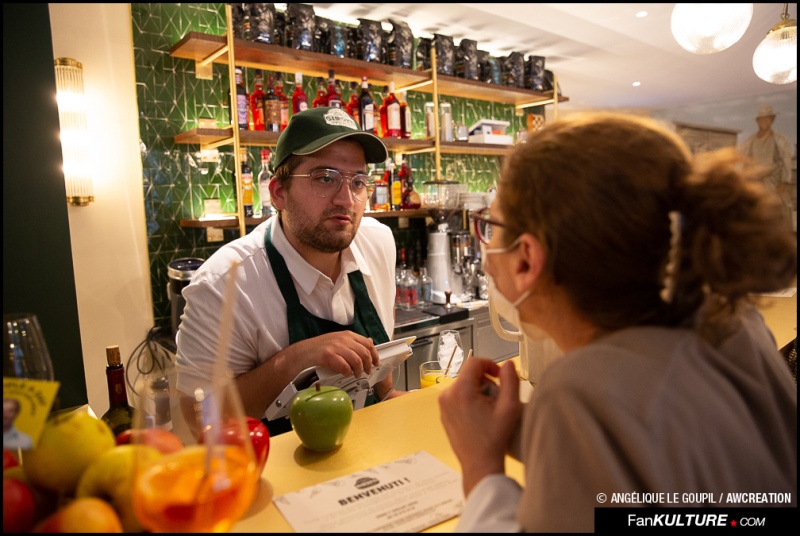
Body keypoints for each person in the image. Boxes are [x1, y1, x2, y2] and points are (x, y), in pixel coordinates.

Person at [439, 113, 797, 532]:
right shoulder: (735, 325)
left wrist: (482, 469)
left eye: (491, 227)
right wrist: (528, 430)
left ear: (526, 259)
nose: (486, 249)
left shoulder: (578, 391)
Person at [176, 107, 405, 436]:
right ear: (278, 193)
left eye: (357, 181)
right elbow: (198, 419)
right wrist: (297, 359)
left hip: (368, 450)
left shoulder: (378, 243)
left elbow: (378, 361)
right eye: (325, 178)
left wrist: (388, 395)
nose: (346, 199)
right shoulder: (224, 285)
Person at [739, 104, 795, 231]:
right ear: (757, 121)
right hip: (755, 182)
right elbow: (743, 160)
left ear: (772, 120)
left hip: (773, 182)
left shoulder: (779, 140)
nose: (764, 121)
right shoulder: (750, 141)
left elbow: (786, 161)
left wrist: (784, 182)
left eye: (768, 119)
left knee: (777, 212)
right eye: (761, 119)